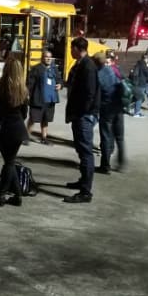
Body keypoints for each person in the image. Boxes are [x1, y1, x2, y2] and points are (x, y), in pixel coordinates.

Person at [64, 37, 100, 204]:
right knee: (81, 149)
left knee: (86, 152)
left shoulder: (88, 66)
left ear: (78, 49)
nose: (70, 52)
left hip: (84, 116)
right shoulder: (81, 64)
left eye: (72, 49)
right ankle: (83, 181)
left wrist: (82, 113)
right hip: (79, 115)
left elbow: (90, 93)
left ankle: (85, 191)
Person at [0, 57, 29, 207]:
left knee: (9, 162)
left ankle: (2, 195)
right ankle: (17, 196)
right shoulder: (23, 90)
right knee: (10, 162)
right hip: (17, 129)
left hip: (2, 128)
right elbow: (24, 114)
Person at [93, 52, 126, 174]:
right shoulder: (111, 70)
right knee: (120, 137)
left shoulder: (98, 75)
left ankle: (105, 165)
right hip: (118, 107)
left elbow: (96, 94)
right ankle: (121, 164)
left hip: (107, 109)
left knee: (106, 137)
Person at [26, 50, 63, 145]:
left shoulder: (54, 68)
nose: (48, 59)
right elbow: (30, 83)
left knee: (45, 119)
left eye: (50, 57)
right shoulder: (36, 68)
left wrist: (60, 85)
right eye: (46, 57)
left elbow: (59, 80)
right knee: (33, 118)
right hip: (38, 98)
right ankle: (26, 136)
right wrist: (28, 94)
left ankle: (44, 138)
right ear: (42, 58)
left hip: (50, 99)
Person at [130, 53, 148, 118]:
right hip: (141, 83)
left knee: (136, 97)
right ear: (147, 59)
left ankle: (128, 107)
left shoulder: (138, 63)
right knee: (140, 98)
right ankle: (137, 113)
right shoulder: (144, 65)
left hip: (136, 83)